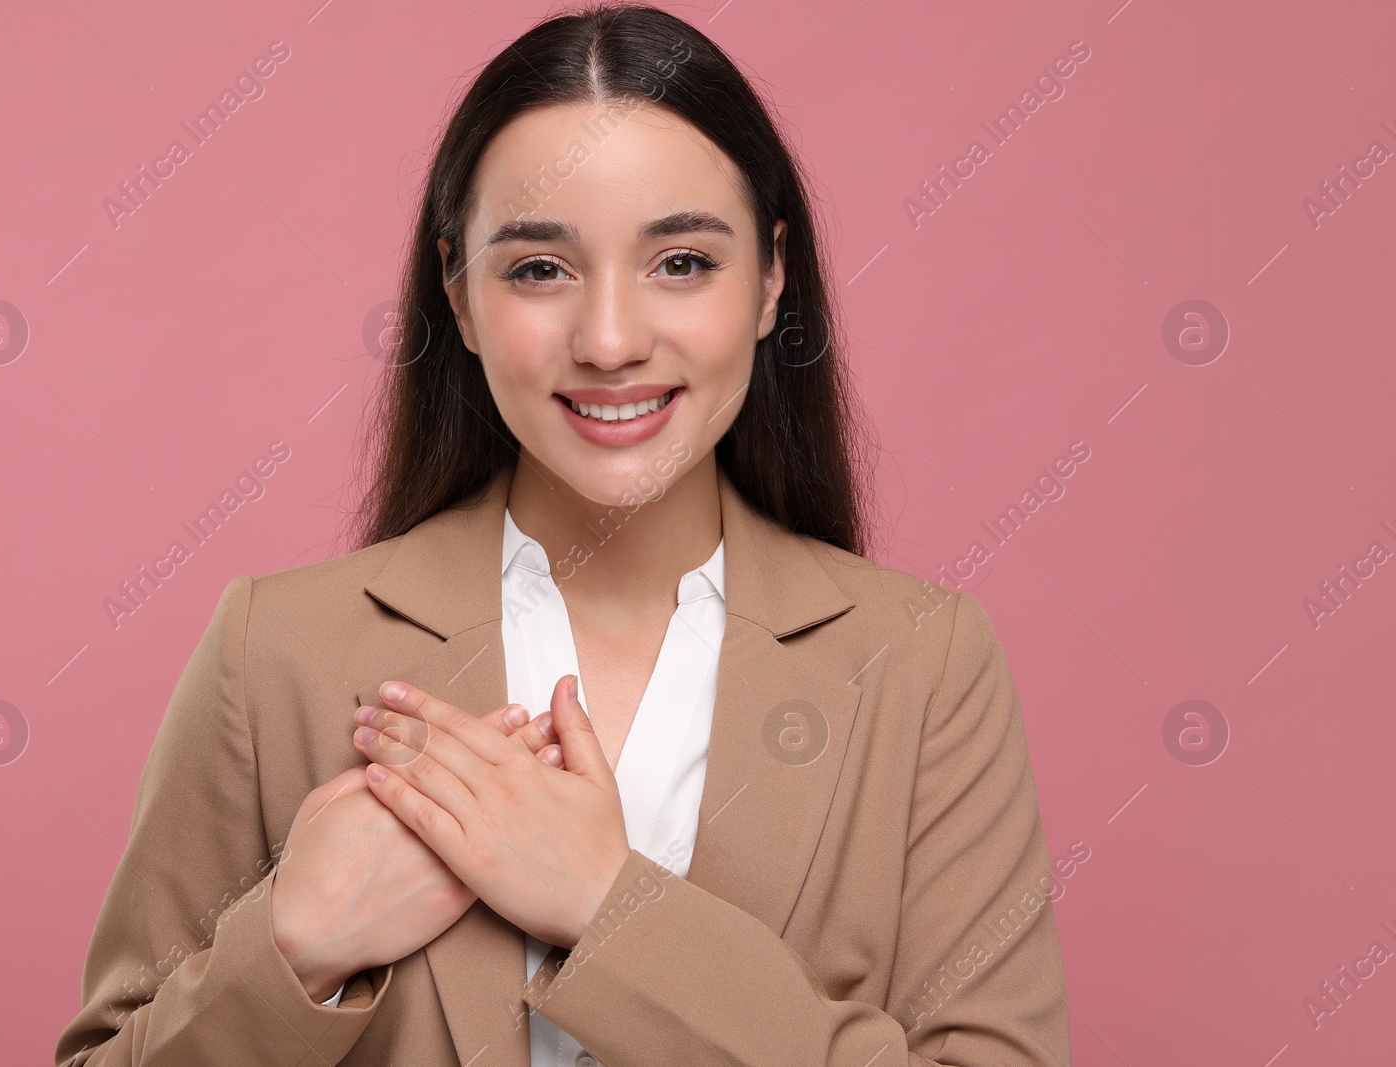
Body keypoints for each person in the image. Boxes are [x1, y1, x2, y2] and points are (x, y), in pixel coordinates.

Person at [54, 4, 1071, 1065]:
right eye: (540, 268)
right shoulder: (276, 650)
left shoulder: (924, 665)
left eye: (681, 261)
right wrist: (295, 943)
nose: (611, 339)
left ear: (772, 277)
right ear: (457, 291)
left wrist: (607, 907)